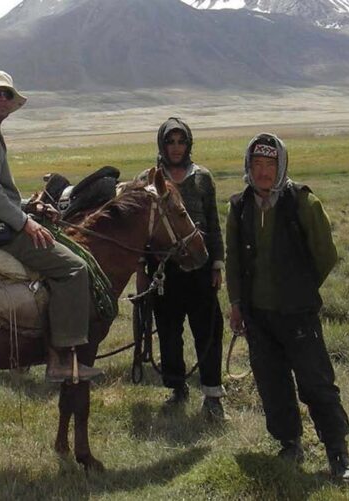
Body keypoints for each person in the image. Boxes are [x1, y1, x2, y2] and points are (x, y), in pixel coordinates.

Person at [0, 69, 102, 383]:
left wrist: (29, 206)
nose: (2, 99)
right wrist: (25, 222)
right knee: (73, 268)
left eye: (7, 94)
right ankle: (62, 359)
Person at [225, 133, 349, 481]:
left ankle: (337, 451)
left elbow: (326, 255)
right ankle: (289, 443)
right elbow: (234, 261)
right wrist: (237, 304)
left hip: (298, 314)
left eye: (270, 164)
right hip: (258, 316)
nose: (263, 172)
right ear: (248, 166)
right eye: (257, 164)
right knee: (272, 383)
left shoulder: (303, 203)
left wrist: (300, 288)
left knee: (316, 382)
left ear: (281, 165)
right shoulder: (239, 207)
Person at [135, 117, 226, 421]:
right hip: (164, 270)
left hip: (200, 266)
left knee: (207, 331)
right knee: (169, 333)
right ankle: (177, 388)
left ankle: (212, 394)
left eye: (181, 141)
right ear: (161, 144)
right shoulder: (147, 180)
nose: (176, 147)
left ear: (188, 144)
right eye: (170, 142)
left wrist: (217, 263)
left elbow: (213, 223)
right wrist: (141, 268)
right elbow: (140, 230)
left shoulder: (202, 178)